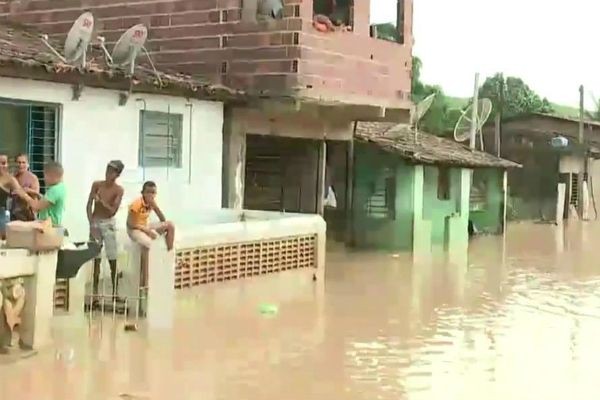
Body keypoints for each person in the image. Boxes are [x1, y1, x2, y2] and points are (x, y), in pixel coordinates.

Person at [86, 160, 125, 298]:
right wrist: (91, 223)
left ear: (117, 174)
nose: (108, 174)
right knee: (96, 258)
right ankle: (95, 293)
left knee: (112, 257)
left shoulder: (118, 190)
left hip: (108, 223)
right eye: (107, 170)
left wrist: (101, 201)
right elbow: (89, 205)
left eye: (112, 171)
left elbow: (112, 211)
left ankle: (115, 292)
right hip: (96, 222)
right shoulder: (97, 185)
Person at [126, 181, 175, 289]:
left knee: (170, 225)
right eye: (148, 192)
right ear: (143, 193)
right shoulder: (136, 205)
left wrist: (156, 208)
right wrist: (147, 231)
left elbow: (163, 219)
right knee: (147, 243)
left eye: (153, 193)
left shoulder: (152, 203)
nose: (151, 195)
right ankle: (144, 281)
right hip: (135, 229)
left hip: (145, 226)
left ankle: (169, 255)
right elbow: (131, 224)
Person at [0, 154, 37, 239]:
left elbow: (22, 193)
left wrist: (36, 204)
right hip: (13, 213)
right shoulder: (15, 177)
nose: (2, 166)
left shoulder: (10, 179)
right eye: (0, 163)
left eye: (4, 163)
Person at [35, 161, 66, 229]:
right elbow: (49, 201)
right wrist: (37, 194)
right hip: (55, 225)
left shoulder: (54, 190)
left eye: (45, 175)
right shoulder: (61, 187)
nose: (44, 179)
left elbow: (37, 207)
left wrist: (23, 195)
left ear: (52, 175)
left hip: (50, 227)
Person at [11, 154, 40, 221]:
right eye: (19, 162)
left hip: (28, 214)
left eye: (23, 162)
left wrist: (28, 190)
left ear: (28, 164)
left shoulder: (33, 177)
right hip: (15, 214)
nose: (21, 165)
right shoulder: (13, 178)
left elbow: (37, 194)